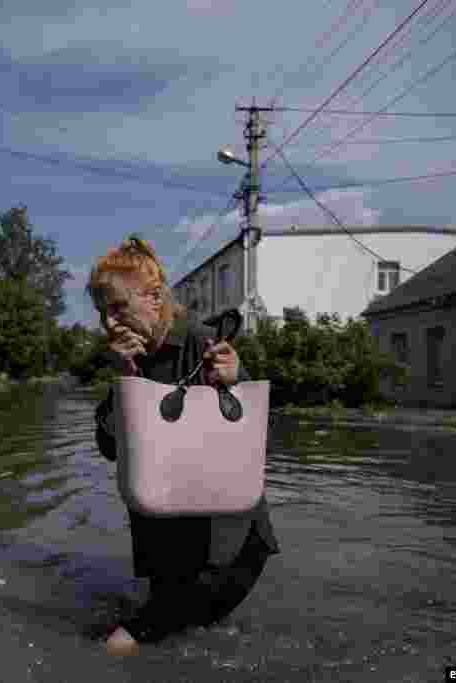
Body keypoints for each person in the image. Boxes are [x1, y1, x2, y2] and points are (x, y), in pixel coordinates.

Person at [86, 235, 280, 653]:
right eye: (102, 313)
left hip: (225, 547)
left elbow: (253, 434)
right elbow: (109, 446)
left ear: (155, 298)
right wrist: (124, 379)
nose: (109, 323)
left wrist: (236, 378)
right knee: (181, 647)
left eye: (118, 307)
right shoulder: (129, 358)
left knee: (117, 645)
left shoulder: (202, 342)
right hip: (166, 545)